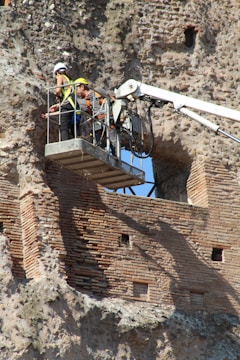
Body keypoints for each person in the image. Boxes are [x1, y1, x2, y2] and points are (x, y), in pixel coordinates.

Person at [75, 78, 117, 155]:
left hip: (107, 119)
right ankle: (102, 154)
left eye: (76, 88)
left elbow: (111, 99)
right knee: (99, 142)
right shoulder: (85, 101)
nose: (76, 91)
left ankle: (116, 157)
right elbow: (73, 104)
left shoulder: (98, 91)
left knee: (113, 141)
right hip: (98, 122)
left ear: (82, 87)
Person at [48, 62, 80, 140]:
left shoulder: (60, 77)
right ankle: (76, 139)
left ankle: (65, 141)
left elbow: (58, 90)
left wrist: (57, 95)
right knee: (73, 125)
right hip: (74, 104)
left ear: (56, 72)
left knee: (64, 125)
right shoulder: (70, 80)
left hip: (67, 104)